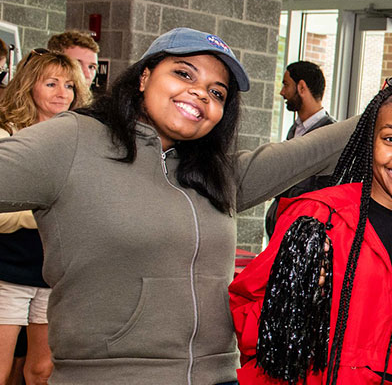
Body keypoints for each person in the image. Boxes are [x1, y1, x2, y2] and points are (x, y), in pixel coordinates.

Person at [0, 27, 358, 384]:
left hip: (218, 376)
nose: (199, 93)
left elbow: (313, 151)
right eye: (183, 73)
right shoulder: (75, 140)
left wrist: (386, 107)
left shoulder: (214, 175)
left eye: (216, 92)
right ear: (144, 76)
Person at [230, 78, 392, 384]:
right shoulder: (318, 218)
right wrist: (293, 302)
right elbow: (243, 318)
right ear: (368, 140)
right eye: (391, 139)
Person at [0, 49, 90, 385]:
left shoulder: (78, 138)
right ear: (28, 87)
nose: (61, 93)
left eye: (68, 85)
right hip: (7, 267)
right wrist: (45, 210)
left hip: (54, 273)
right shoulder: (8, 135)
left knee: (42, 369)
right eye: (50, 83)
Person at [264, 61, 335, 234]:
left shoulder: (329, 135)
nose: (282, 92)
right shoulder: (295, 130)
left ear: (302, 87)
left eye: (286, 85)